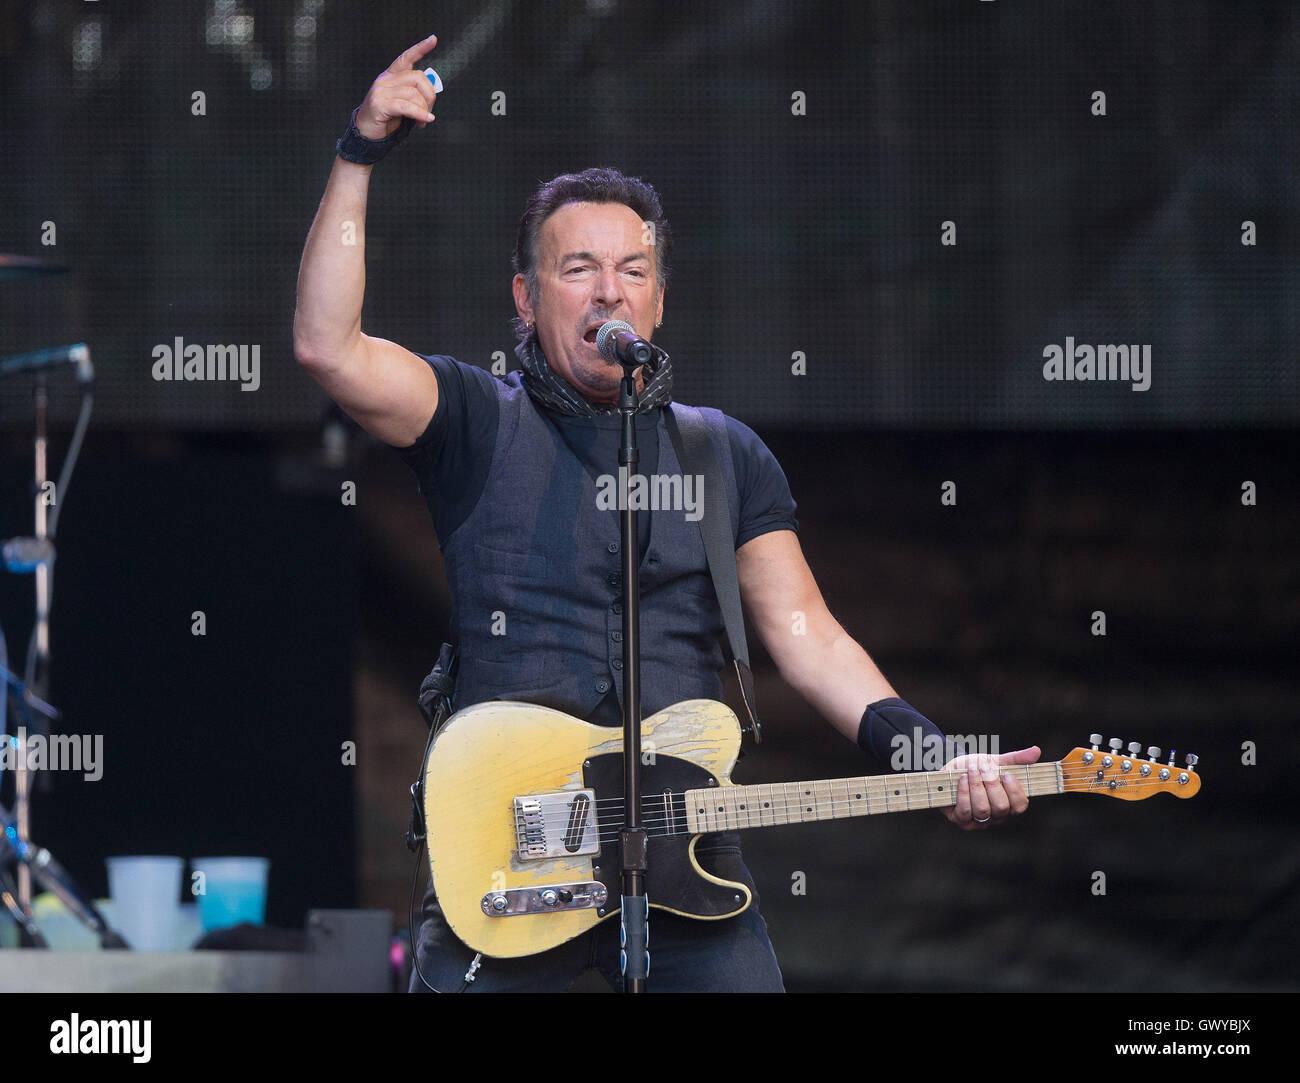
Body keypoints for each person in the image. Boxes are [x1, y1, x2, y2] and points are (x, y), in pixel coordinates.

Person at [293, 35, 1041, 993]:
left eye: (633, 270)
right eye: (578, 269)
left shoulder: (719, 450)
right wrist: (358, 152)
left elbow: (807, 634)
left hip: (687, 868)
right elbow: (328, 347)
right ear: (525, 297)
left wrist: (928, 754)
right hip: (516, 854)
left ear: (658, 302)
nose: (610, 289)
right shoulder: (475, 415)